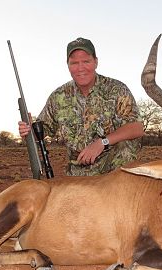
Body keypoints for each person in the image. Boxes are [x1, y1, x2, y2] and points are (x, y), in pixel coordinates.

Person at [19, 37, 144, 176]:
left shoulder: (116, 89)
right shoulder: (58, 96)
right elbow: (41, 132)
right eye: (74, 63)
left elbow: (137, 128)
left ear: (95, 62)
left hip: (113, 171)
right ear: (68, 65)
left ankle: (122, 194)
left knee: (125, 146)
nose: (80, 68)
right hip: (78, 173)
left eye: (86, 61)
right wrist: (28, 131)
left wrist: (102, 143)